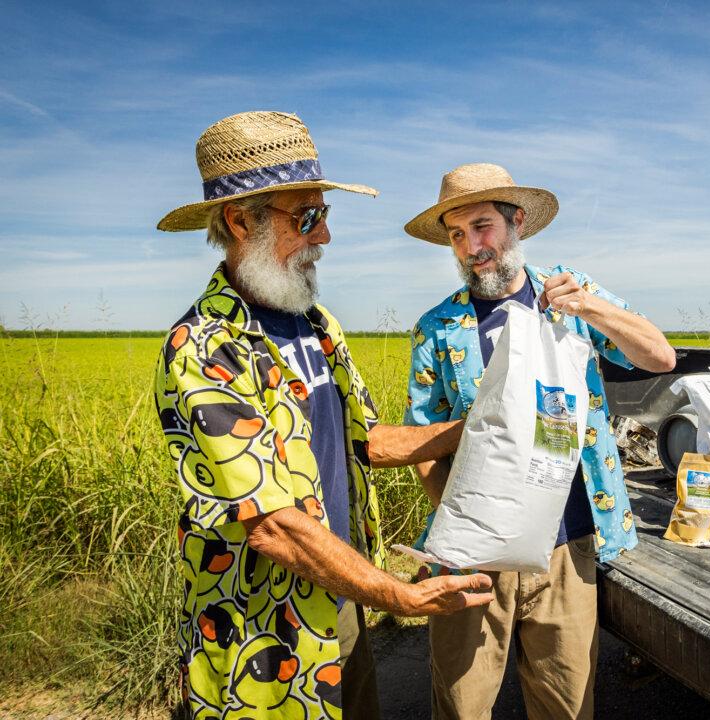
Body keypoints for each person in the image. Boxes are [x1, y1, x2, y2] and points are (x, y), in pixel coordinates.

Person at [154, 112, 493, 720]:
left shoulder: (316, 323)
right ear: (239, 221)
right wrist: (396, 594)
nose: (325, 236)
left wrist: (474, 431)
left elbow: (367, 439)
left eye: (325, 214)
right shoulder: (203, 349)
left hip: (340, 588)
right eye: (306, 217)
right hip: (261, 621)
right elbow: (272, 524)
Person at [403, 162, 676, 719]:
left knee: (566, 706)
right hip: (472, 560)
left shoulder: (571, 296)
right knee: (461, 706)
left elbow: (660, 356)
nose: (470, 246)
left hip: (568, 548)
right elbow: (420, 439)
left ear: (516, 223)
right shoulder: (438, 327)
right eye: (456, 234)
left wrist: (589, 306)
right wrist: (462, 528)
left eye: (482, 226)